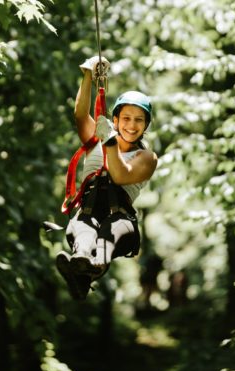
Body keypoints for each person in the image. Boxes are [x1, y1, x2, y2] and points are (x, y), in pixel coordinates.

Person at [56, 56, 158, 300]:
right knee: (83, 229)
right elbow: (81, 115)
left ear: (145, 126)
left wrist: (109, 140)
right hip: (86, 213)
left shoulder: (147, 157)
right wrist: (88, 75)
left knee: (109, 233)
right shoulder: (96, 141)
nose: (131, 125)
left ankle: (92, 266)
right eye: (126, 118)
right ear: (115, 120)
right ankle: (79, 265)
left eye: (138, 120)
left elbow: (121, 175)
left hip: (120, 220)